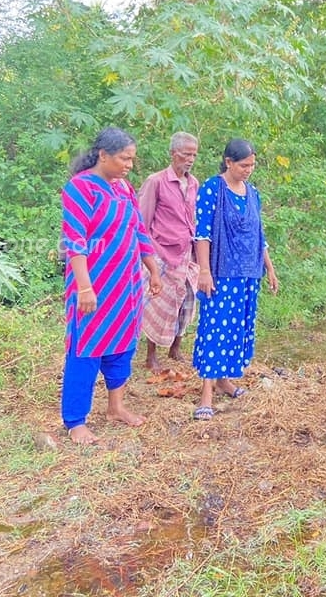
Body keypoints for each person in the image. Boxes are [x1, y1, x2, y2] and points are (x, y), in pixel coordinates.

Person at [60, 126, 163, 444]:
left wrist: (153, 269)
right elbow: (74, 241)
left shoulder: (124, 188)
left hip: (127, 286)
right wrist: (85, 287)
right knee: (85, 350)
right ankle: (76, 421)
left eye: (132, 159)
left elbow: (138, 231)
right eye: (124, 158)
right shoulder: (80, 188)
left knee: (122, 348)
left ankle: (115, 407)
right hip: (94, 286)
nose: (129, 165)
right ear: (103, 155)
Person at [191, 138, 279, 420]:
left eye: (252, 165)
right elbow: (202, 233)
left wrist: (270, 268)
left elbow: (259, 235)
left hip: (248, 273)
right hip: (221, 273)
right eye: (244, 165)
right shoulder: (212, 189)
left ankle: (224, 381)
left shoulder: (253, 193)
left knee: (237, 331)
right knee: (215, 329)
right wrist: (204, 270)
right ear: (228, 162)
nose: (248, 170)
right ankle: (206, 393)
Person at [138, 132, 200, 372]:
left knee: (186, 300)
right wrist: (149, 255)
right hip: (162, 252)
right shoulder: (156, 181)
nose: (190, 159)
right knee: (158, 303)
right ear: (173, 154)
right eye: (186, 154)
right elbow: (142, 221)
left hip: (187, 253)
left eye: (194, 155)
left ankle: (176, 348)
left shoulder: (193, 183)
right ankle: (151, 355)